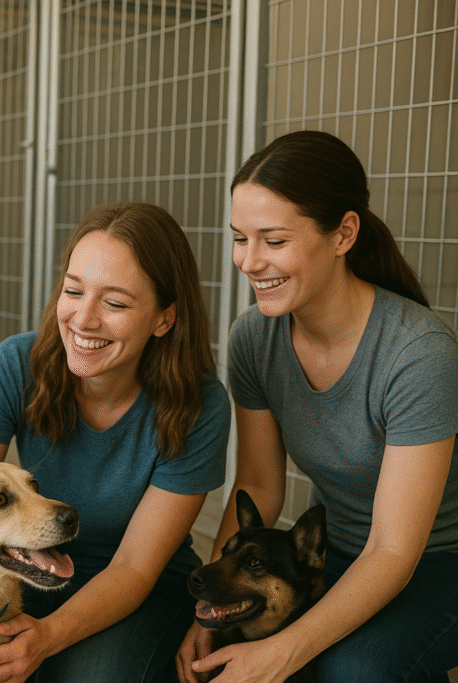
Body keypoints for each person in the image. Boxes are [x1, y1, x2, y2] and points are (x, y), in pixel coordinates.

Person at [0, 202, 230, 683]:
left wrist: (46, 638)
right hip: (25, 559)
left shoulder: (202, 404)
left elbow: (134, 567)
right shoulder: (15, 363)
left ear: (164, 318)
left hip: (137, 578)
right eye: (73, 291)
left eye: (116, 303)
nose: (84, 320)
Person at [176, 130, 458, 683]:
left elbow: (394, 550)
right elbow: (258, 482)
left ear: (343, 233)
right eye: (239, 238)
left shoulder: (418, 355)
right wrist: (214, 604)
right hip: (335, 554)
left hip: (436, 560)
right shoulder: (255, 339)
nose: (249, 262)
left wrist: (288, 648)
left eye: (273, 241)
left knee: (350, 670)